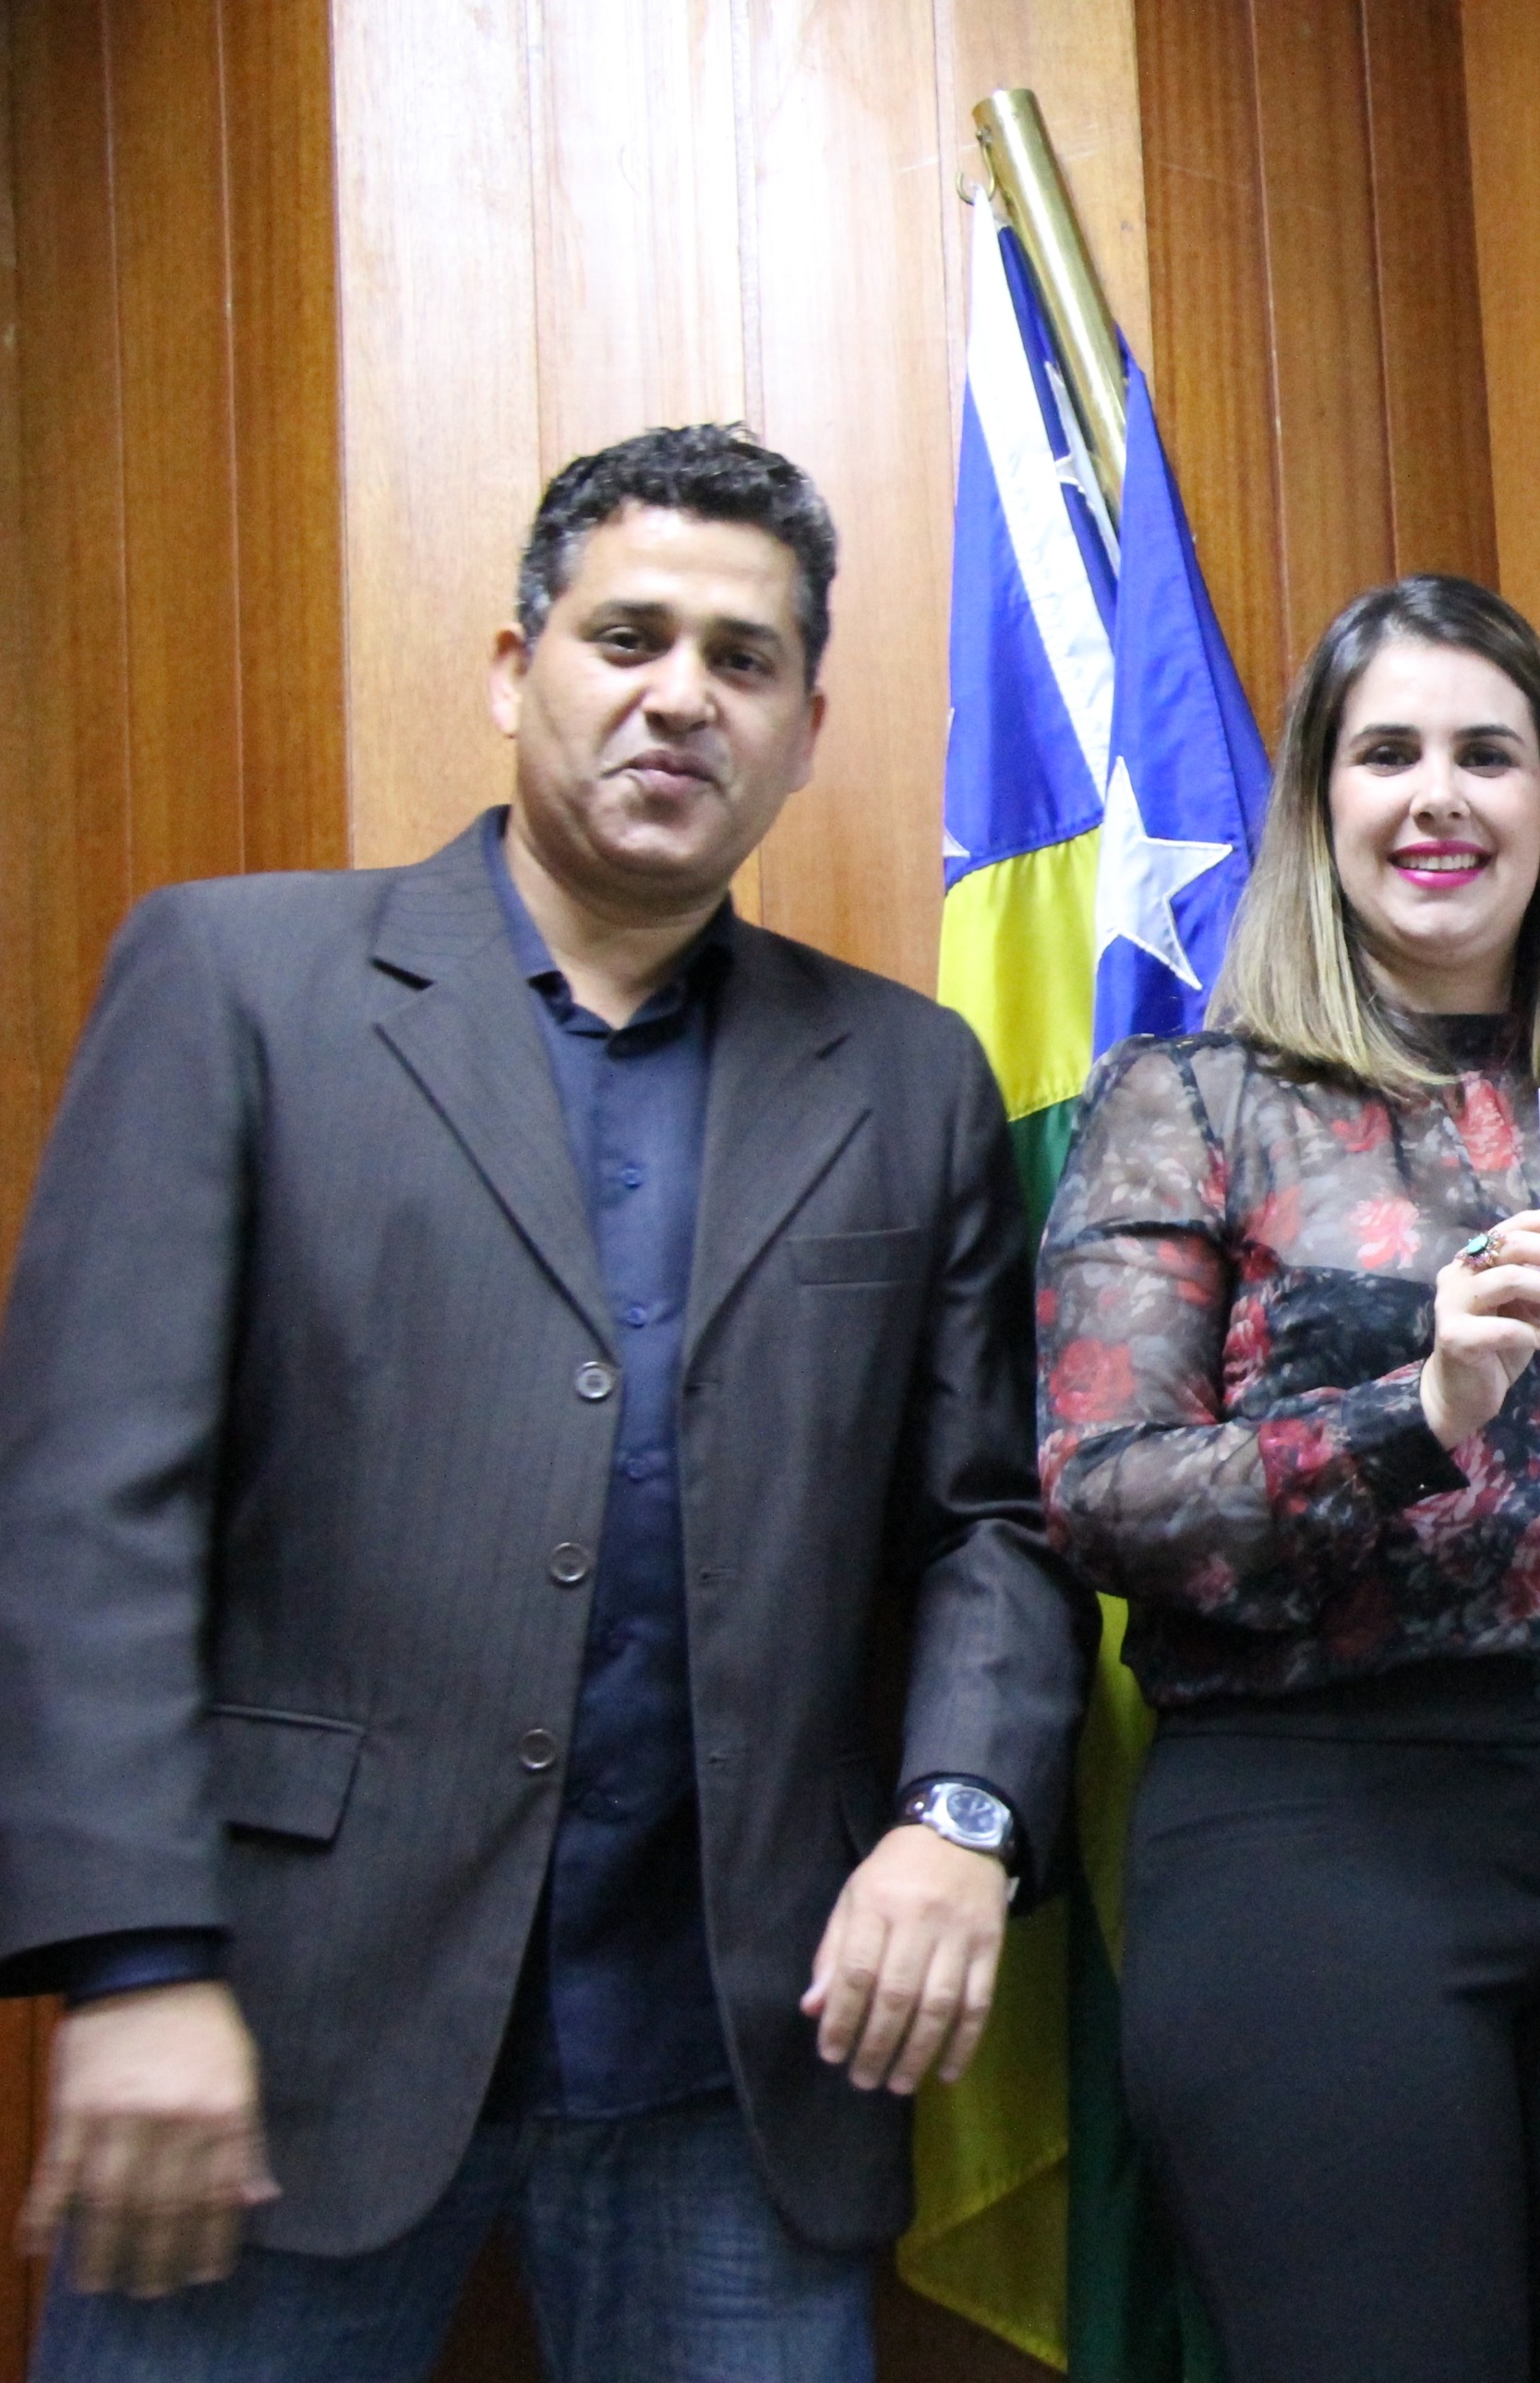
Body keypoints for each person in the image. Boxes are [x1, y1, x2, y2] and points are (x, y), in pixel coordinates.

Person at [0, 424, 1090, 2382]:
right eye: (628, 636)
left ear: (805, 731)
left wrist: (960, 1817)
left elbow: (985, 1524)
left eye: (743, 660)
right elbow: (89, 1507)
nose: (681, 696)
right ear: (517, 670)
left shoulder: (904, 1074)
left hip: (737, 2054)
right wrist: (134, 1953)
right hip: (274, 2034)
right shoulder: (241, 981)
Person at [1040, 573, 1540, 2383]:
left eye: (1487, 755)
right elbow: (1102, 1491)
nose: (1439, 795)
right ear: (1319, 806)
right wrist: (1413, 1409)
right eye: (1387, 754)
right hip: (1313, 1836)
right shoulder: (1187, 1099)